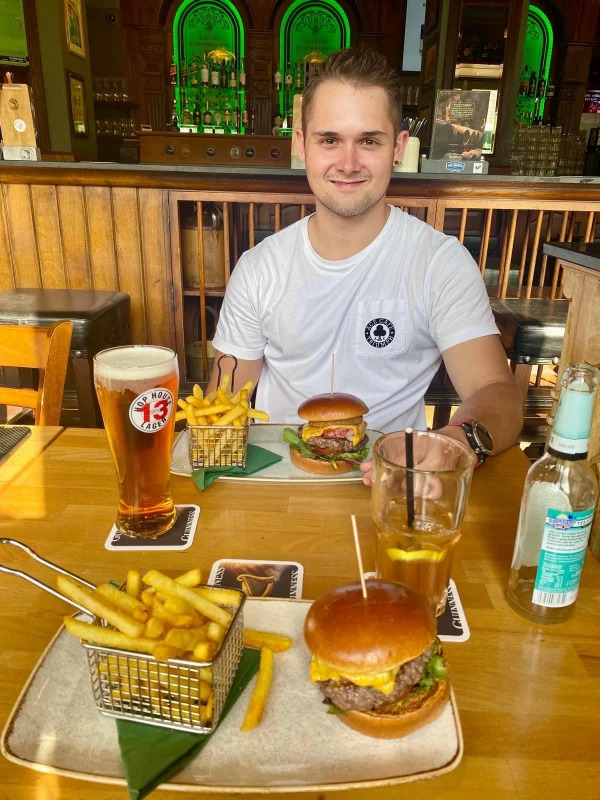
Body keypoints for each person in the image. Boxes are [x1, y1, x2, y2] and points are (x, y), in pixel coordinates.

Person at [208, 48, 523, 484]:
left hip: (396, 488)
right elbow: (223, 399)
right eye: (329, 139)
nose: (349, 163)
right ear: (301, 145)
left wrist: (454, 441)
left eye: (369, 141)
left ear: (398, 147)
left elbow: (499, 395)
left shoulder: (439, 263)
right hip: (275, 486)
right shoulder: (259, 267)